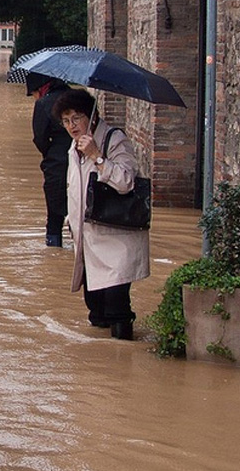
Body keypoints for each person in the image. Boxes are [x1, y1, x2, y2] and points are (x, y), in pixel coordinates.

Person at [52, 88, 149, 340]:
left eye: (76, 118)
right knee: (96, 311)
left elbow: (126, 180)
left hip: (115, 238)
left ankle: (122, 363)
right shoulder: (73, 147)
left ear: (92, 116)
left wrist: (97, 156)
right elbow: (74, 189)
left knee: (117, 309)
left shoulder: (115, 140)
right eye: (65, 120)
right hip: (87, 240)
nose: (71, 126)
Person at [26, 72, 70, 247]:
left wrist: (50, 154)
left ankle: (54, 248)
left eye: (33, 94)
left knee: (54, 214)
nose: (34, 98)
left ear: (39, 89)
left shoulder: (43, 104)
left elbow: (40, 138)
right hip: (84, 162)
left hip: (56, 165)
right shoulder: (77, 99)